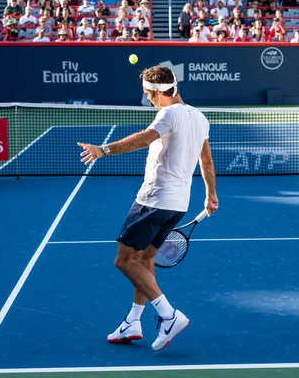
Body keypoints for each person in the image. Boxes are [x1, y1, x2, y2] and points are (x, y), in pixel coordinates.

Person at [77, 65, 219, 351]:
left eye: (146, 93)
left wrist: (103, 150)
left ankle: (169, 316)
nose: (147, 97)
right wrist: (211, 195)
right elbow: (206, 161)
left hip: (153, 201)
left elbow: (144, 138)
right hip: (179, 204)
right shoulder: (200, 117)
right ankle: (133, 321)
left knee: (124, 260)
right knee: (145, 260)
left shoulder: (167, 114)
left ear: (156, 93)